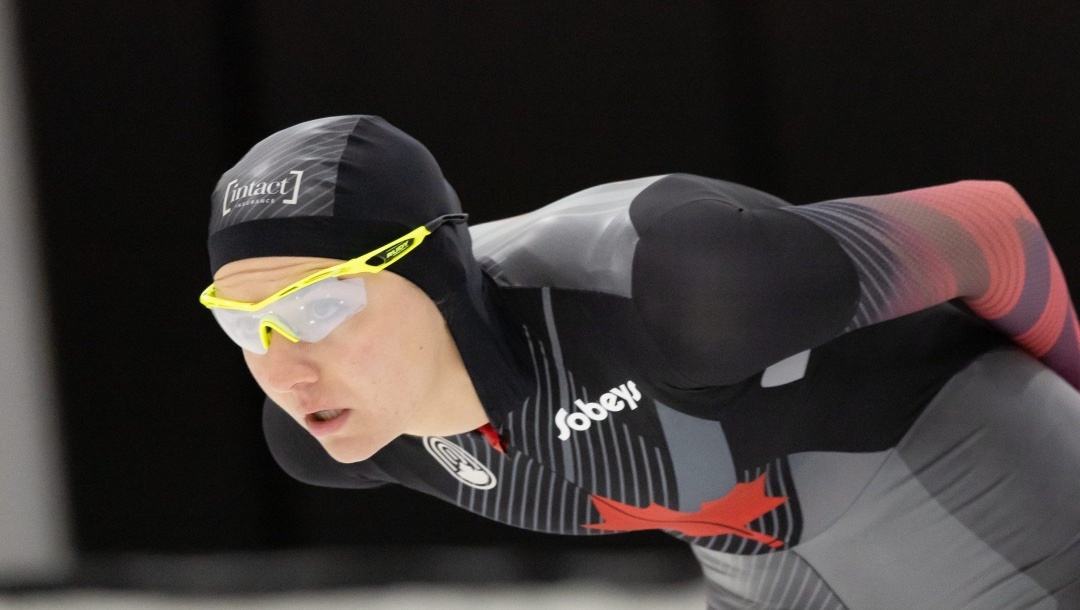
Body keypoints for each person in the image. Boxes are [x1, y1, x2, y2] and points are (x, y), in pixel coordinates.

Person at [201, 115, 1080, 608]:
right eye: (245, 325)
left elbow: (990, 225)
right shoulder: (330, 428)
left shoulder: (685, 286)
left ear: (430, 273)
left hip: (991, 478)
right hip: (776, 568)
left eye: (317, 307)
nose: (284, 366)